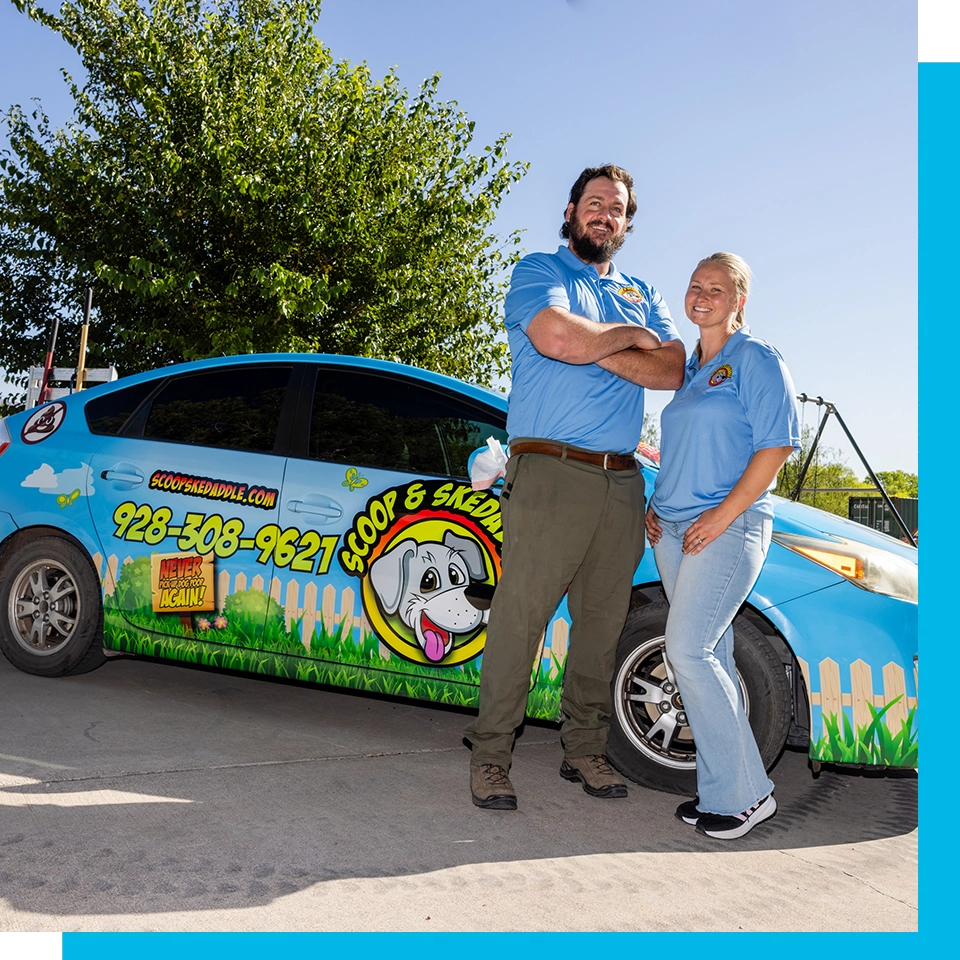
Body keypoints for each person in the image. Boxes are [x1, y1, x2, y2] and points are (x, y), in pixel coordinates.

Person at [463, 164, 686, 810]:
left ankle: (584, 748)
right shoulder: (539, 271)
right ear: (571, 211)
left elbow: (672, 366)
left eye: (616, 209)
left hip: (621, 481)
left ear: (626, 223)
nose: (604, 216)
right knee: (520, 620)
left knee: (601, 624)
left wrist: (593, 344)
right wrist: (627, 340)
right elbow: (555, 337)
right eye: (594, 204)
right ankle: (491, 756)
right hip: (549, 470)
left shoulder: (644, 290)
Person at [644, 252, 800, 840]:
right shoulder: (686, 370)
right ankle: (719, 790)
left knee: (688, 651)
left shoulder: (756, 360)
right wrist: (655, 505)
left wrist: (721, 514)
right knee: (713, 656)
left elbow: (776, 447)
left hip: (726, 528)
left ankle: (747, 796)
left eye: (717, 287)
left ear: (739, 301)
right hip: (673, 529)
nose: (701, 295)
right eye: (695, 285)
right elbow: (682, 450)